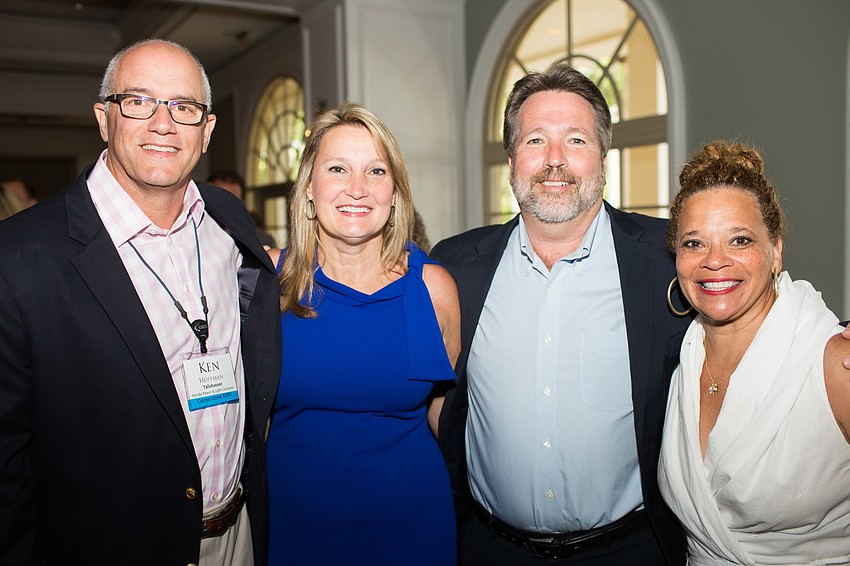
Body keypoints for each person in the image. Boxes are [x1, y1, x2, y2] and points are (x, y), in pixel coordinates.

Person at [0, 38, 281, 565]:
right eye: (138, 101)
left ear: (207, 130)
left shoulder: (227, 221)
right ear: (103, 119)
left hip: (240, 533)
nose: (163, 123)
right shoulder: (17, 259)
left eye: (184, 106)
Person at [430, 63, 689, 565]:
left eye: (575, 140)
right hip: (491, 549)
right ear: (511, 160)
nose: (555, 160)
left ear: (602, 158)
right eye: (535, 141)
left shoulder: (666, 258)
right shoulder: (457, 267)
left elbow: (745, 312)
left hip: (629, 550)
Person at [265, 102, 460, 565]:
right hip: (295, 532)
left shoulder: (433, 289)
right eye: (338, 169)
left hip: (414, 532)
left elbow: (447, 420)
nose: (358, 188)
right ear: (308, 188)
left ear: (394, 194)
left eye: (376, 171)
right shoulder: (270, 282)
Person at [658, 141, 850, 565]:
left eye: (739, 240)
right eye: (694, 243)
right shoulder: (681, 358)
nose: (714, 261)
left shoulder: (833, 365)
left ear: (775, 250)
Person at [207, 170, 277, 248]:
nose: (226, 205)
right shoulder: (199, 234)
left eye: (233, 200)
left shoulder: (261, 240)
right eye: (220, 199)